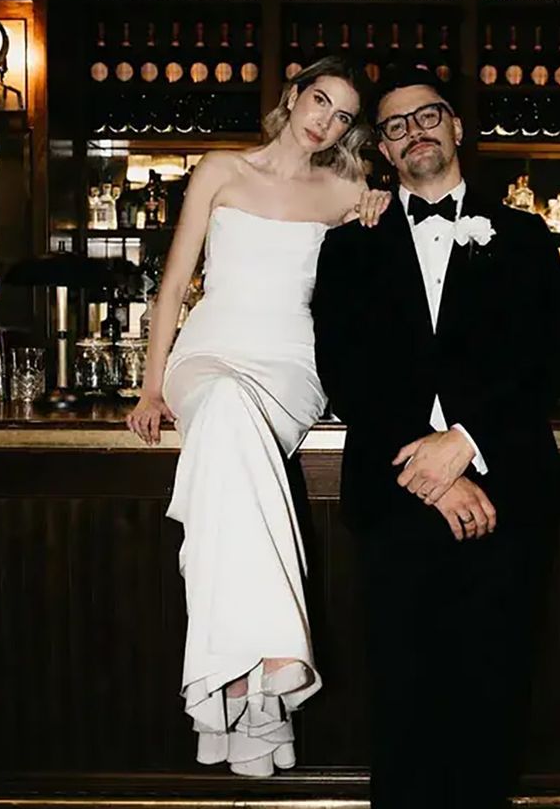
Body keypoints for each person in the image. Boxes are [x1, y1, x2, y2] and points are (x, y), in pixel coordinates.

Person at [311, 66, 560, 809]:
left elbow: (550, 365)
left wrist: (466, 440)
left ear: (457, 127)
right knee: (402, 702)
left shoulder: (525, 237)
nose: (414, 131)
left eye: (427, 116)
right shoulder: (349, 245)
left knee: (495, 697)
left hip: (509, 496)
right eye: (395, 125)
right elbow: (343, 372)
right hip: (395, 499)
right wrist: (432, 471)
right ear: (384, 151)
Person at [126, 56, 391, 776]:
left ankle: (238, 687)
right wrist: (152, 388)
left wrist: (377, 215)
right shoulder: (219, 168)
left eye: (342, 117)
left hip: (291, 369)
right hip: (206, 354)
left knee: (228, 461)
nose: (325, 121)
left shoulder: (347, 186)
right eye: (320, 101)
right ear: (294, 92)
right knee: (226, 411)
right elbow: (175, 283)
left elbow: (375, 285)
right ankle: (269, 668)